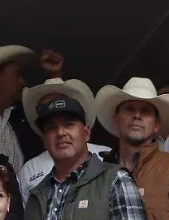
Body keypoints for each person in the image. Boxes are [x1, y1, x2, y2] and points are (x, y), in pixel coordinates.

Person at [95, 77, 169, 220]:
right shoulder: (97, 175)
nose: (137, 115)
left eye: (145, 111)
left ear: (157, 124)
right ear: (116, 119)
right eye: (129, 109)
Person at [0, 46, 64, 173]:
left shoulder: (22, 117)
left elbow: (58, 113)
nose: (23, 82)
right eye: (16, 74)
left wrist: (54, 75)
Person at [17, 77, 112, 205]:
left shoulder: (108, 158)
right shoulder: (29, 169)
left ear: (86, 132)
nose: (61, 132)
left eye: (68, 123)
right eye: (44, 108)